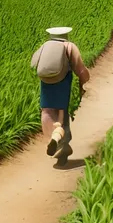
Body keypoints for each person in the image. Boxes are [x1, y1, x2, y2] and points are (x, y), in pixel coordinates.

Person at [31, 26, 90, 161]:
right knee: (61, 113)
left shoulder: (44, 46)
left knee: (47, 112)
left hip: (45, 84)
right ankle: (61, 143)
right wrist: (84, 80)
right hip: (62, 83)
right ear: (66, 35)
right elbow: (80, 69)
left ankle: (51, 139)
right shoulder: (69, 47)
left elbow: (33, 64)